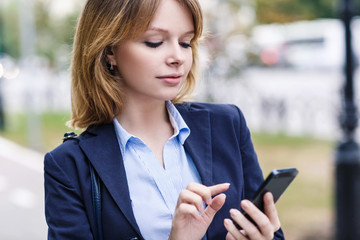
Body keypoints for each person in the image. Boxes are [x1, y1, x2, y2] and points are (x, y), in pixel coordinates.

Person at [44, 0, 284, 239]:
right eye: (155, 42)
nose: (178, 57)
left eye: (185, 42)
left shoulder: (228, 124)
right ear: (110, 51)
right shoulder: (68, 166)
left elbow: (273, 233)